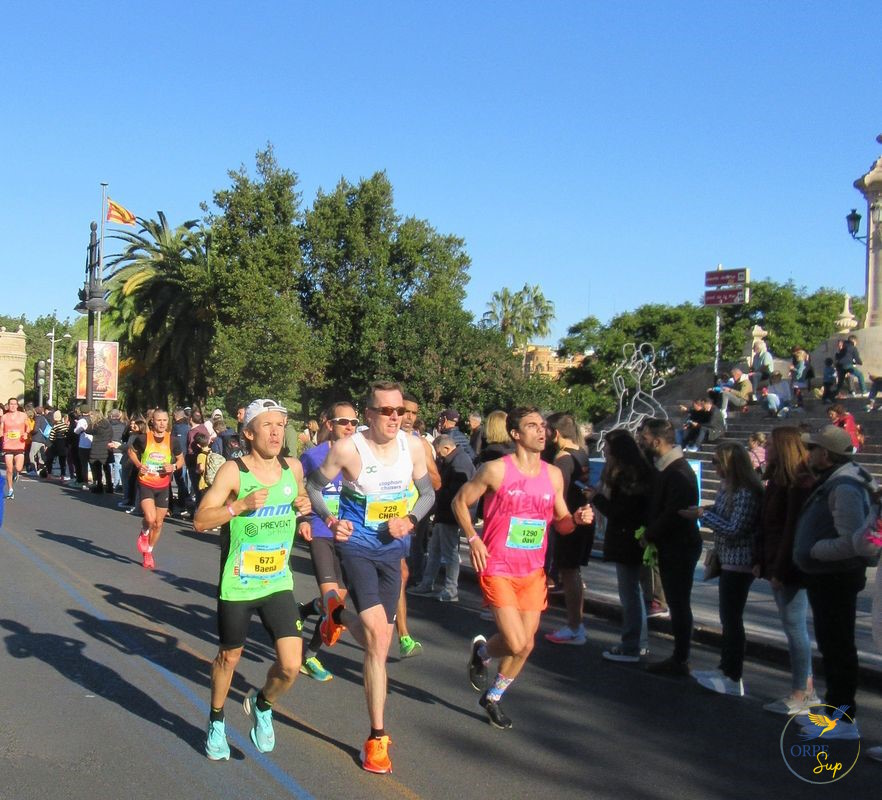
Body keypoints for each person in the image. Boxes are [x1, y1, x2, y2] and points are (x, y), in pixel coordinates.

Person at [305, 381, 435, 774]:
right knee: (378, 636)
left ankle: (337, 615)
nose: (395, 417)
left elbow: (427, 495)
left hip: (393, 553)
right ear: (370, 415)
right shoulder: (348, 449)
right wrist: (330, 519)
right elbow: (312, 486)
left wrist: (410, 519)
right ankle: (376, 738)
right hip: (358, 549)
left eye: (400, 411)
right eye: (386, 411)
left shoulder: (413, 446)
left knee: (380, 641)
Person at [454, 407, 592, 729]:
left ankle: (493, 695)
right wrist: (474, 539)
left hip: (532, 571)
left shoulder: (553, 475)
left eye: (543, 426)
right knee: (516, 642)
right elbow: (459, 502)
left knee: (527, 644)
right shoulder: (495, 470)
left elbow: (562, 524)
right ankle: (485, 652)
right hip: (498, 565)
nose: (541, 431)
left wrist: (577, 519)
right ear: (516, 434)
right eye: (532, 426)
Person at [194, 398, 312, 761]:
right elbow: (201, 520)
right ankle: (216, 721)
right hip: (239, 582)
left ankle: (262, 704)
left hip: (278, 581)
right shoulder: (234, 472)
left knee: (291, 665)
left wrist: (305, 508)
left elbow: (300, 497)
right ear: (248, 432)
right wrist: (238, 507)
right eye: (267, 425)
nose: (276, 432)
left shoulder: (292, 468)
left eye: (280, 425)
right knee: (230, 658)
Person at [792, 425, 876, 737]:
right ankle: (835, 710)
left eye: (812, 449)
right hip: (828, 577)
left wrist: (814, 550)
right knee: (833, 645)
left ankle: (842, 717)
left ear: (825, 455)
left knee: (838, 646)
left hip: (836, 577)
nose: (808, 453)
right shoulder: (837, 480)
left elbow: (852, 540)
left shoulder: (844, 486)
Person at [682, 442, 762, 696]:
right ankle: (724, 667)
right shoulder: (728, 488)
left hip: (740, 561)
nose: (714, 466)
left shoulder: (746, 492)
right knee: (727, 617)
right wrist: (704, 510)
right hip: (727, 558)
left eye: (717, 462)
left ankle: (732, 673)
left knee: (732, 617)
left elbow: (735, 528)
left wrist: (702, 517)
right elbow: (721, 513)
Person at [753, 426, 818, 715]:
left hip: (789, 565)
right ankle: (806, 687)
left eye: (770, 444)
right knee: (793, 626)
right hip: (777, 560)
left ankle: (801, 692)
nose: (765, 448)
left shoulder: (797, 483)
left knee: (795, 628)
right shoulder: (779, 480)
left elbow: (791, 530)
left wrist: (779, 569)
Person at [296, 400, 360, 682]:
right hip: (322, 532)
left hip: (349, 536)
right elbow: (296, 490)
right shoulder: (312, 456)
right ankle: (308, 658)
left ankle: (305, 614)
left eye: (354, 423)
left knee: (334, 608)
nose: (349, 427)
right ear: (329, 424)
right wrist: (302, 520)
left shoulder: (362, 455)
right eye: (343, 422)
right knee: (334, 605)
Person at [639, 418, 702, 675]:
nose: (641, 442)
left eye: (644, 438)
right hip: (671, 544)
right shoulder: (666, 468)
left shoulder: (678, 471)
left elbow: (674, 512)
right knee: (676, 601)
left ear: (656, 440)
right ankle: (679, 656)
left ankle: (680, 658)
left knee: (678, 602)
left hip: (680, 546)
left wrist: (650, 534)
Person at [586, 429, 653, 662]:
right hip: (634, 538)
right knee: (634, 592)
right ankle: (638, 642)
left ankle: (632, 644)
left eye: (607, 447)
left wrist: (597, 498)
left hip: (627, 539)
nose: (604, 451)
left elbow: (620, 512)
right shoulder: (640, 471)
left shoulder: (628, 477)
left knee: (630, 593)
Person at [395, 393, 441, 654]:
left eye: (413, 412)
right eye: (404, 411)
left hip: (406, 518)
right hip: (371, 519)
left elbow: (436, 483)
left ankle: (403, 636)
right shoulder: (372, 440)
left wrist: (416, 469)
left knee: (401, 573)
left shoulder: (419, 445)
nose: (409, 417)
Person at [543, 412, 594, 645]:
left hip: (569, 520)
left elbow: (557, 495)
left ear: (555, 432)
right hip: (582, 518)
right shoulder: (582, 453)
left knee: (569, 572)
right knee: (573, 573)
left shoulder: (563, 458)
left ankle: (575, 626)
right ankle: (576, 624)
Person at [408, 433, 475, 602]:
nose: (438, 456)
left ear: (446, 448)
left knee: (450, 552)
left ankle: (451, 590)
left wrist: (439, 498)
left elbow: (457, 493)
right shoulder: (455, 460)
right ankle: (427, 583)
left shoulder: (459, 462)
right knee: (435, 551)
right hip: (443, 514)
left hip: (449, 515)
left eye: (438, 452)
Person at [127, 409, 184, 569]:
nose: (162, 423)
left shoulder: (173, 441)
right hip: (146, 483)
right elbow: (131, 452)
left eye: (165, 420)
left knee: (159, 523)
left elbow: (181, 460)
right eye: (159, 420)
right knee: (150, 519)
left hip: (163, 486)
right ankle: (144, 531)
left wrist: (172, 466)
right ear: (152, 421)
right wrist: (139, 465)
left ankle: (148, 553)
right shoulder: (143, 439)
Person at [1, 398, 28, 499]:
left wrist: (25, 433)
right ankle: (10, 490)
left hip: (19, 445)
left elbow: (28, 427)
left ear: (17, 405)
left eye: (14, 404)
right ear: (8, 405)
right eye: (11, 404)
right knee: (9, 468)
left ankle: (16, 473)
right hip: (8, 446)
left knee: (18, 467)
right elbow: (1, 430)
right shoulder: (4, 417)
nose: (12, 406)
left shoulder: (23, 416)